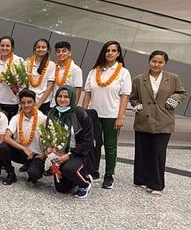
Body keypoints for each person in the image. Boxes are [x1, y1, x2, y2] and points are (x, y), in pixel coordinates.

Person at [130, 50, 186, 197]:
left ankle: (156, 184)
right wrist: (137, 106)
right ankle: (141, 180)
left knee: (158, 153)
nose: (156, 64)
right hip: (143, 120)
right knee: (142, 152)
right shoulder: (139, 79)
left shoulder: (173, 78)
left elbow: (182, 93)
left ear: (165, 63)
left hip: (163, 121)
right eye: (154, 61)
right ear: (149, 61)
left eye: (160, 62)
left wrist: (173, 99)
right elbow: (133, 97)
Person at [82, 40, 131, 189]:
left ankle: (109, 175)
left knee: (110, 146)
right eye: (107, 50)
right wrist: (84, 113)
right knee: (94, 145)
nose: (110, 53)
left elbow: (125, 96)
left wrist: (120, 116)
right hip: (94, 114)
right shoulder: (94, 71)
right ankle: (94, 171)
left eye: (113, 50)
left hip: (112, 115)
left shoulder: (123, 72)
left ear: (118, 53)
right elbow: (87, 93)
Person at [46, 86, 95, 198]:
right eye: (60, 96)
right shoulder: (52, 113)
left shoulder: (80, 114)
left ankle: (85, 183)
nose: (62, 99)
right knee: (61, 189)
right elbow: (48, 135)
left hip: (79, 153)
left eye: (66, 97)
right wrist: (49, 148)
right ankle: (74, 177)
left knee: (69, 169)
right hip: (60, 153)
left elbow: (88, 142)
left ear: (72, 98)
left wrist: (69, 155)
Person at [0, 89, 46, 185]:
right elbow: (6, 137)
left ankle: (32, 168)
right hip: (21, 152)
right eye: (23, 103)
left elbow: (50, 140)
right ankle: (11, 174)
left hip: (36, 155)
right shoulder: (16, 118)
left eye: (29, 102)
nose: (26, 105)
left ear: (34, 102)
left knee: (34, 175)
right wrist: (24, 148)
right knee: (3, 146)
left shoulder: (43, 119)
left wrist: (45, 153)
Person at [0, 36, 25, 120]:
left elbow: (23, 83)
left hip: (12, 102)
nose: (4, 48)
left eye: (7, 46)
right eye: (2, 46)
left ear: (12, 48)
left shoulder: (18, 60)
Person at [26, 39, 55, 114]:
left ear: (48, 49)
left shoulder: (51, 65)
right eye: (38, 47)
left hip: (43, 102)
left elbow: (49, 87)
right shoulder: (28, 63)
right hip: (28, 100)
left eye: (43, 47)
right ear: (35, 49)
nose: (40, 49)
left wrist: (38, 105)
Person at [51, 41, 83, 106]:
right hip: (53, 105)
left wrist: (72, 108)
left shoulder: (76, 69)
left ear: (70, 53)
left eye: (64, 51)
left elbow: (78, 90)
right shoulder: (53, 67)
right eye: (58, 51)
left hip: (67, 106)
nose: (61, 53)